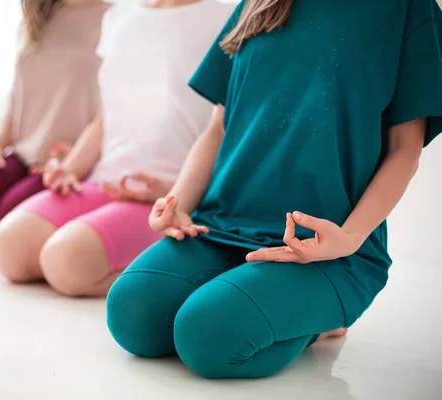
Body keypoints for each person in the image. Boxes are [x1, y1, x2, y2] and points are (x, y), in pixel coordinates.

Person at [106, 0, 442, 379]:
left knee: (208, 336)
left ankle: (318, 321)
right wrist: (179, 202)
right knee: (132, 314)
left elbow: (404, 151)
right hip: (219, 227)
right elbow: (219, 127)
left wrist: (348, 239)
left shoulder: (408, 10)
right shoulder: (257, 2)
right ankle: (267, 302)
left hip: (322, 250)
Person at [0, 0, 235, 296]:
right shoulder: (120, 15)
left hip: (164, 198)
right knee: (9, 248)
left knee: (64, 262)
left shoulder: (227, 18)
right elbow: (106, 117)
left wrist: (173, 194)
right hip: (105, 179)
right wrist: (70, 169)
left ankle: (178, 273)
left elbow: (224, 131)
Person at [0, 0, 109, 238]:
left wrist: (76, 162)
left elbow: (114, 112)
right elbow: (18, 99)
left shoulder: (113, 21)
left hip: (67, 161)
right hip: (23, 153)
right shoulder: (38, 14)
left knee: (11, 214)